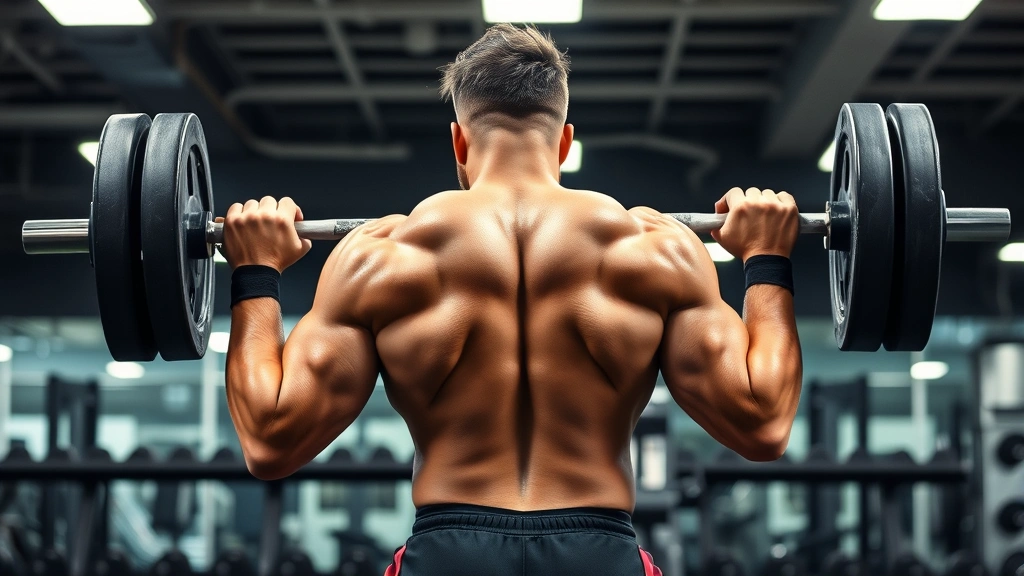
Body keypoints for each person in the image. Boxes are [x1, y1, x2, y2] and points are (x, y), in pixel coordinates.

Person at [219, 23, 802, 576]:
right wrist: (766, 258)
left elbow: (270, 441)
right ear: (565, 140)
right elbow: (764, 424)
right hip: (597, 552)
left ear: (459, 139)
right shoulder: (654, 250)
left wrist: (256, 270)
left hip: (449, 551)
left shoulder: (382, 254)